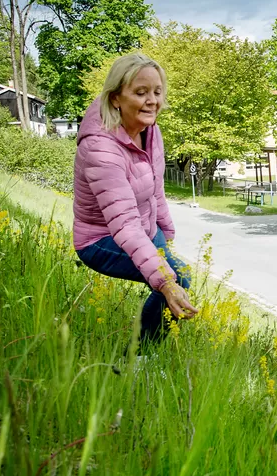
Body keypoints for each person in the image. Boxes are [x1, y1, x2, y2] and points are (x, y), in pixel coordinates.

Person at [73, 52, 198, 346]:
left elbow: (155, 190)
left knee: (178, 273)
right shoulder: (101, 149)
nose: (152, 100)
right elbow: (124, 224)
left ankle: (149, 350)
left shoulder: (150, 131)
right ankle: (142, 357)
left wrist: (165, 236)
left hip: (142, 229)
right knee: (174, 279)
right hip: (100, 239)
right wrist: (164, 280)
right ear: (116, 98)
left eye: (157, 92)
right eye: (140, 93)